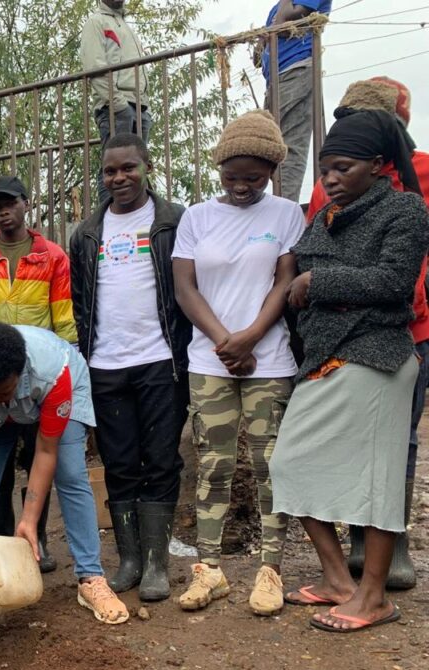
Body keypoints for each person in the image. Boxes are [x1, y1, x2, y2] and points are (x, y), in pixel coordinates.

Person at [273, 109, 429, 633]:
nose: (331, 180)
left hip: (379, 358)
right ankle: (339, 579)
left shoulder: (405, 211)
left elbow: (393, 283)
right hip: (324, 358)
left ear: (379, 166)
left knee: (375, 482)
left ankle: (374, 597)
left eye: (343, 168)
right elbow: (298, 275)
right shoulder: (324, 217)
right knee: (289, 464)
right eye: (325, 171)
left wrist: (319, 283)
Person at [171, 110, 305, 616]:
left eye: (254, 177)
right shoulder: (197, 217)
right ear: (219, 171)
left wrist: (249, 338)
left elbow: (284, 282)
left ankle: (271, 570)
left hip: (268, 360)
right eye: (232, 177)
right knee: (213, 464)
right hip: (209, 358)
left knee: (272, 465)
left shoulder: (287, 215)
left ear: (271, 171)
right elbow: (186, 287)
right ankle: (209, 571)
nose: (243, 187)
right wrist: (226, 340)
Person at [306, 77, 426, 592]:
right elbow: (312, 257)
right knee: (346, 442)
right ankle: (358, 541)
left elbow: (392, 275)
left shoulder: (420, 178)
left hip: (411, 328)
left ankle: (389, 546)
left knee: (398, 441)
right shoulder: (326, 188)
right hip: (340, 337)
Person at [0, 323, 129, 624]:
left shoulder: (53, 370)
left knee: (71, 474)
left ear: (20, 375)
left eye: (3, 393)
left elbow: (46, 450)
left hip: (55, 390)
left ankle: (91, 577)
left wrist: (29, 519)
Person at [68, 133, 189, 602]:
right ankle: (130, 560)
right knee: (118, 463)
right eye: (110, 171)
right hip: (106, 364)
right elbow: (81, 299)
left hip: (161, 360)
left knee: (160, 459)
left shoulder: (173, 221)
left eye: (128, 168)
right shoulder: (87, 233)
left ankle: (157, 562)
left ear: (147, 166)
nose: (119, 178)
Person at [0, 175, 79, 575]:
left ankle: (37, 539)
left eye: (9, 203)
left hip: (37, 379)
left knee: (38, 461)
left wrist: (70, 367)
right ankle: (3, 542)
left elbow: (63, 315)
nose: (2, 211)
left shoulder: (52, 256)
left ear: (26, 204)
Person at [256, 0, 333, 202]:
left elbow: (284, 22)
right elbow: (258, 56)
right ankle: (276, 202)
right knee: (269, 146)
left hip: (296, 70)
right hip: (277, 76)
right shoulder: (279, 5)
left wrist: (271, 30)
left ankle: (285, 205)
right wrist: (263, 38)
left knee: (289, 147)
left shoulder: (287, 5)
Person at [80, 0, 151, 198]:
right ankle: (107, 222)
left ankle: (138, 220)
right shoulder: (96, 22)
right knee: (113, 168)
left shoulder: (124, 23)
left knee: (137, 168)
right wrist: (118, 105)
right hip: (116, 107)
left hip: (139, 106)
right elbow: (96, 69)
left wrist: (143, 105)